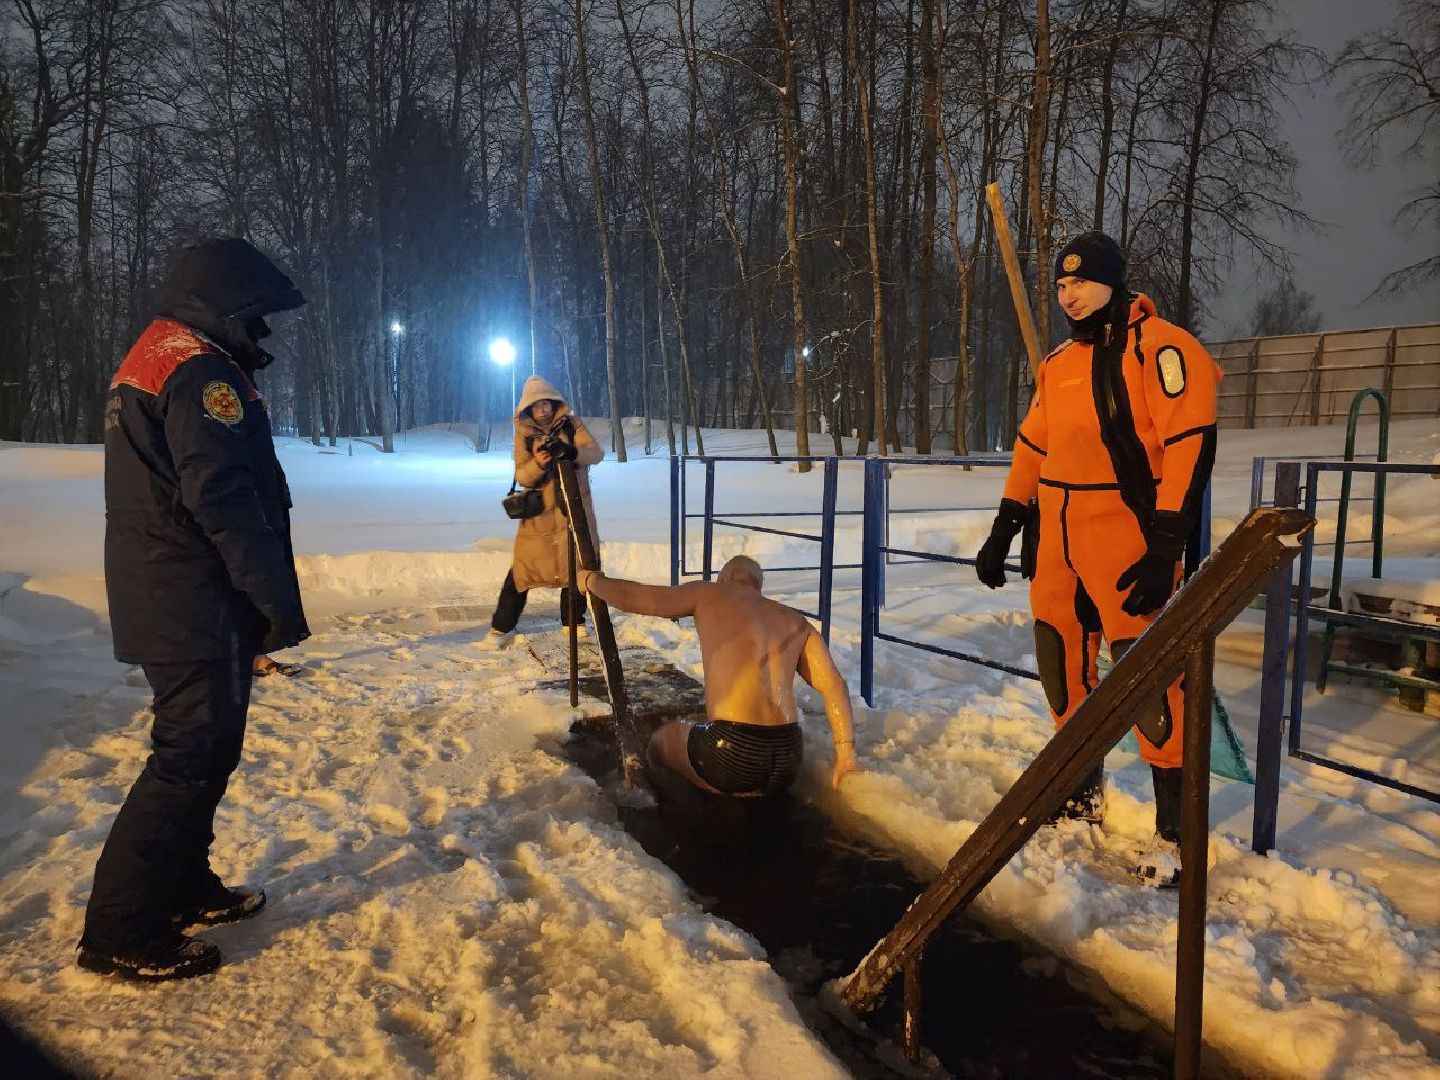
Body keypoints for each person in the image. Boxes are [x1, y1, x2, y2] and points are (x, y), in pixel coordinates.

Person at [78, 237, 308, 981]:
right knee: (186, 760)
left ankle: (181, 885)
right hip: (193, 600)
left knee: (205, 753)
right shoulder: (201, 371)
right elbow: (224, 498)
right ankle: (121, 928)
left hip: (173, 594)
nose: (263, 329)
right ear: (224, 304)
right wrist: (272, 600)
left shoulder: (159, 355)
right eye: (256, 313)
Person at [973, 231, 1220, 887]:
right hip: (1057, 540)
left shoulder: (1162, 348)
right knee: (1060, 662)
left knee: (1149, 676)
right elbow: (1034, 445)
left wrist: (1167, 538)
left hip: (1127, 535)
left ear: (1113, 280)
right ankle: (1079, 794)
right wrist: (1007, 523)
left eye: (1080, 282)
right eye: (1060, 284)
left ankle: (1175, 832)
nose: (1069, 295)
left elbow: (1191, 438)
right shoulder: (1058, 364)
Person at [580, 555, 860, 796]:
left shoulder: (710, 593)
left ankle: (654, 802)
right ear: (758, 585)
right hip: (788, 754)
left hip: (731, 750)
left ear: (725, 577)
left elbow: (638, 598)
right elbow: (834, 685)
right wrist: (846, 752)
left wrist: (593, 581)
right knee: (742, 776)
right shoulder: (796, 620)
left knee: (663, 740)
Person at [480, 374, 603, 647]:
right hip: (540, 516)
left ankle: (574, 622)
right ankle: (502, 627)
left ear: (554, 403)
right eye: (536, 406)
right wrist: (538, 461)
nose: (542, 410)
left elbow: (596, 453)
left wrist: (571, 452)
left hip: (574, 510)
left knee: (577, 565)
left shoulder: (572, 425)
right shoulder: (525, 434)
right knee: (523, 571)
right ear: (529, 409)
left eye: (546, 403)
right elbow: (522, 476)